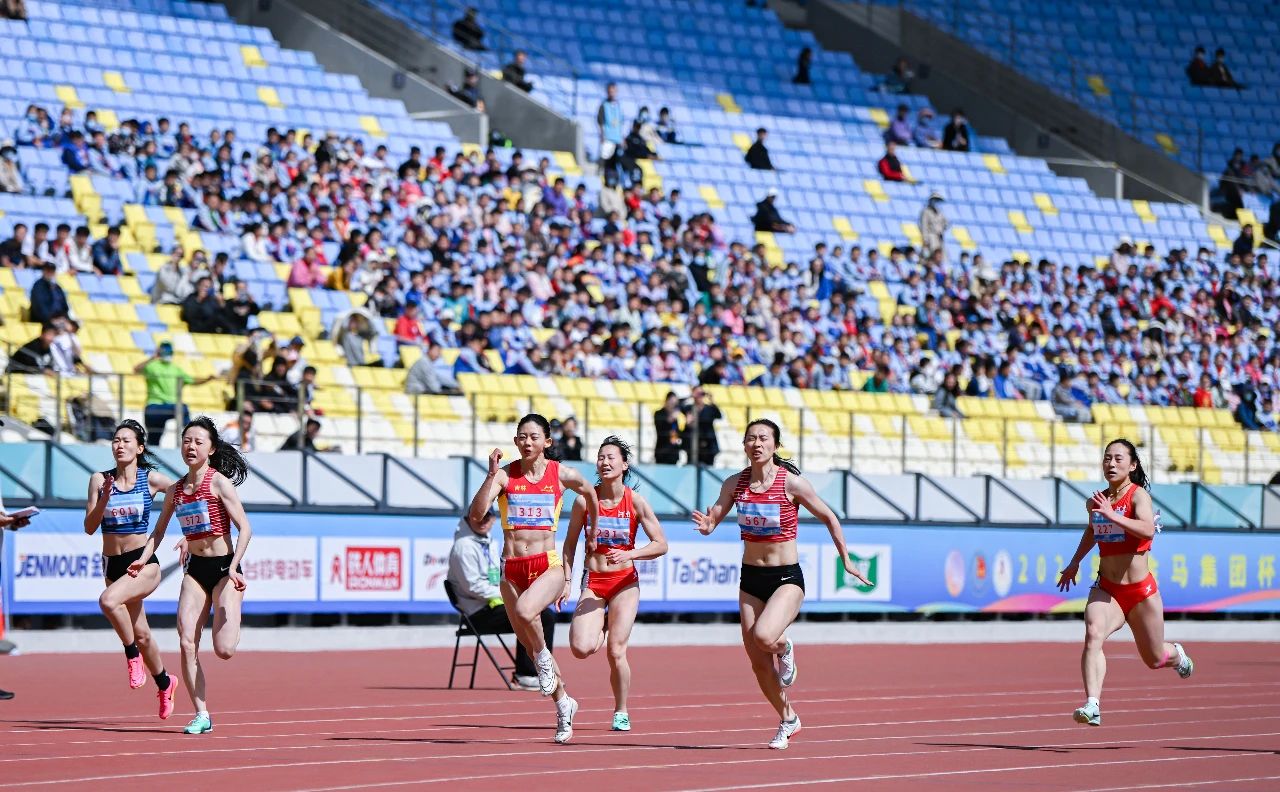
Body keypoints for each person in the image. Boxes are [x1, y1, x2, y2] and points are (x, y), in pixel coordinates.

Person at [693, 419, 869, 749]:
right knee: (758, 664)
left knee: (764, 637)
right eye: (751, 438)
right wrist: (708, 525)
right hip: (750, 579)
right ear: (744, 445)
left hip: (786, 577)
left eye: (763, 438)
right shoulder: (735, 483)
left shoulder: (792, 483)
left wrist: (846, 559)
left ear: (775, 445)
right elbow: (714, 517)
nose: (756, 444)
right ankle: (789, 719)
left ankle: (785, 647)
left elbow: (829, 517)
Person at [466, 414, 599, 744]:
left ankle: (543, 660)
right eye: (522, 437)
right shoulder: (505, 475)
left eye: (534, 437)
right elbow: (476, 514)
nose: (527, 442)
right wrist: (490, 475)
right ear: (515, 441)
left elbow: (590, 493)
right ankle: (564, 704)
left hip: (547, 565)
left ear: (547, 442)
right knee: (531, 644)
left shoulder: (561, 474)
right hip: (511, 569)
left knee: (528, 615)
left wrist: (593, 529)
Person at [129, 416, 252, 735]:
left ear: (211, 449)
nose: (191, 447)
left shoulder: (219, 483)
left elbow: (245, 528)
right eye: (186, 441)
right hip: (195, 571)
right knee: (186, 641)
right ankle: (202, 714)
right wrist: (142, 559)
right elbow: (158, 532)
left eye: (198, 442)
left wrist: (235, 565)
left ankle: (233, 607)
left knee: (224, 650)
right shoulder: (175, 490)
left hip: (225, 570)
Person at [1057, 440, 1193, 727]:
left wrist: (1112, 515)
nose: (1111, 463)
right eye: (1107, 458)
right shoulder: (1096, 502)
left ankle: (1177, 655)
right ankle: (1093, 704)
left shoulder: (1138, 496)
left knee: (1154, 658)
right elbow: (1092, 530)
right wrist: (1075, 562)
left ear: (1132, 465)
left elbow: (1147, 529)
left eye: (1118, 459)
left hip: (1141, 592)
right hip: (1108, 589)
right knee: (1093, 633)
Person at [562, 437, 668, 732]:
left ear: (624, 464)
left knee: (616, 651)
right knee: (581, 648)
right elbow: (569, 545)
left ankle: (621, 710)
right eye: (601, 457)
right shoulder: (584, 500)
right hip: (594, 581)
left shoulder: (635, 501)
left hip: (624, 583)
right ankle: (606, 625)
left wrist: (630, 554)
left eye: (611, 457)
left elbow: (661, 544)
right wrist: (567, 581)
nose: (605, 462)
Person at [83, 420, 178, 719]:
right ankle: (165, 683)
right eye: (116, 440)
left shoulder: (151, 480)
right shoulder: (99, 480)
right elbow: (89, 527)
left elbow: (187, 495)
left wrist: (190, 537)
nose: (119, 445)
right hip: (112, 564)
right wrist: (104, 499)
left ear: (139, 448)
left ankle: (131, 655)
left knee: (108, 601)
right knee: (143, 635)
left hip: (142, 562)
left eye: (126, 440)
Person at [447, 510, 553, 691]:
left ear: (494, 519)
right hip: (478, 612)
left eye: (487, 517)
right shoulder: (463, 546)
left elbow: (499, 577)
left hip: (495, 605)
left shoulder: (488, 541)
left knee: (540, 613)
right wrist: (508, 594)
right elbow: (473, 587)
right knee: (532, 614)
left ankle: (540, 672)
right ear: (469, 517)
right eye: (479, 516)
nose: (483, 520)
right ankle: (526, 675)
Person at [136, 342, 215, 443]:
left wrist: (207, 379)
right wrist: (153, 358)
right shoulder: (152, 366)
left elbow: (192, 380)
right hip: (156, 407)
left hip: (156, 409)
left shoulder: (175, 369)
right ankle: (192, 433)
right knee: (182, 408)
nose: (167, 354)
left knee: (153, 441)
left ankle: (191, 433)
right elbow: (136, 369)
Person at [683, 387, 722, 466]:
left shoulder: (709, 408)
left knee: (708, 468)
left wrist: (712, 401)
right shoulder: (688, 408)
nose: (700, 396)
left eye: (702, 394)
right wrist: (689, 396)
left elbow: (719, 415)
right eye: (698, 394)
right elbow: (677, 405)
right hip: (693, 446)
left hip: (708, 446)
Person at [653, 391, 683, 465]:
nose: (673, 405)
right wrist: (671, 418)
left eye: (675, 403)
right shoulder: (659, 413)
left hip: (673, 453)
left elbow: (676, 431)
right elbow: (660, 428)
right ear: (666, 401)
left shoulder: (675, 417)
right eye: (672, 402)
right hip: (662, 452)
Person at [919, 191, 946, 259]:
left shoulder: (939, 212)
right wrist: (925, 240)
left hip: (939, 238)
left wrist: (943, 228)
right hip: (931, 237)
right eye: (935, 200)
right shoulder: (926, 211)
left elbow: (945, 223)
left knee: (941, 256)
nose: (936, 202)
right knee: (930, 255)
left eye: (938, 200)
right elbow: (924, 226)